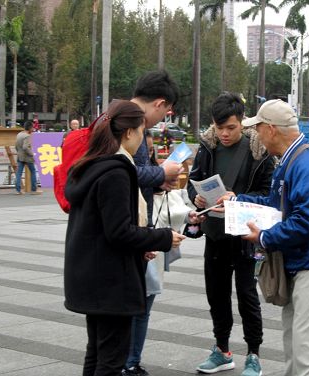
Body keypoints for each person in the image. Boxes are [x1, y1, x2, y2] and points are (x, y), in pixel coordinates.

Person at [217, 99, 309, 376]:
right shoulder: (293, 158)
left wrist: (266, 237)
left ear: (271, 129)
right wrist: (237, 201)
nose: (254, 135)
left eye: (256, 128)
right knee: (296, 337)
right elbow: (277, 204)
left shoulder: (306, 164)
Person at [64, 99, 186, 376]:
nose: (143, 138)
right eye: (142, 132)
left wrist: (142, 244)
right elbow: (119, 232)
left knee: (96, 353)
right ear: (129, 132)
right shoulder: (117, 172)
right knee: (110, 360)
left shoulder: (89, 165)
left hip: (89, 275)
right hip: (110, 281)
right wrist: (162, 237)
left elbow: (104, 228)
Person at [187, 92, 274, 376]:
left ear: (242, 123)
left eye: (231, 128)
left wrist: (239, 197)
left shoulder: (258, 150)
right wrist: (196, 198)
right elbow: (194, 182)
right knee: (217, 295)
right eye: (219, 126)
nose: (224, 133)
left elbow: (267, 193)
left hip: (245, 236)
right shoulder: (207, 146)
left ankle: (254, 354)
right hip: (214, 232)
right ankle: (222, 350)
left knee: (247, 294)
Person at [123, 70, 184, 376]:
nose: (163, 119)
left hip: (136, 226)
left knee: (143, 297)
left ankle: (130, 361)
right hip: (127, 229)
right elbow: (123, 173)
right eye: (166, 112)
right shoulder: (126, 125)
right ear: (160, 103)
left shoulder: (126, 121)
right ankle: (127, 363)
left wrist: (159, 181)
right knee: (135, 304)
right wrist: (161, 174)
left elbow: (135, 173)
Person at [15, 121, 41, 195]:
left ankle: (18, 190)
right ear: (30, 128)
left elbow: (16, 146)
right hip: (27, 157)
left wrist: (19, 152)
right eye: (32, 127)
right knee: (33, 171)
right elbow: (25, 147)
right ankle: (34, 189)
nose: (33, 129)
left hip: (20, 156)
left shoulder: (19, 134)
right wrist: (32, 154)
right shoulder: (27, 136)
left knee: (19, 173)